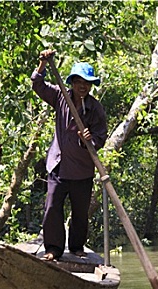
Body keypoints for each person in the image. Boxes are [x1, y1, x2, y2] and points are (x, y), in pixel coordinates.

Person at [31, 49, 108, 261]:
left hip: (82, 170)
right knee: (52, 208)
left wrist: (88, 140)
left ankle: (76, 247)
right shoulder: (60, 96)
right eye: (78, 82)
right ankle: (53, 249)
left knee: (80, 214)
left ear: (91, 85)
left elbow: (100, 138)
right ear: (72, 82)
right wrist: (43, 64)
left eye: (86, 83)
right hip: (58, 165)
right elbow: (38, 85)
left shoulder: (95, 109)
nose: (82, 86)